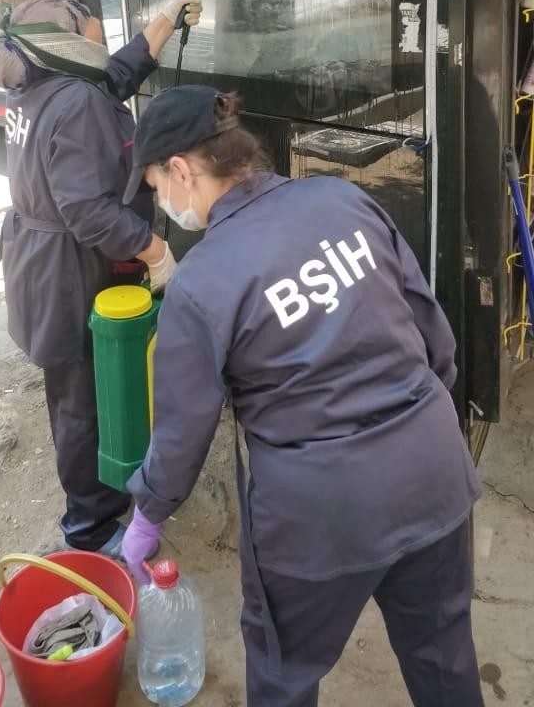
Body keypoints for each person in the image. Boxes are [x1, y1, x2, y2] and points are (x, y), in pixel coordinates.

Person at [121, 85, 485, 707]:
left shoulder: (201, 283)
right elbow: (434, 338)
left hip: (319, 518)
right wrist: (419, 425)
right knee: (444, 657)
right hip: (435, 479)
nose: (162, 202)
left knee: (283, 673)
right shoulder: (344, 199)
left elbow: (182, 435)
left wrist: (147, 513)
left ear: (181, 170)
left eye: (156, 186)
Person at [0, 0, 202, 557]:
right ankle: (90, 529)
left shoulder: (43, 84)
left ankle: (107, 502)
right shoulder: (76, 100)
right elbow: (86, 209)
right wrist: (155, 250)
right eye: (86, 15)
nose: (98, 20)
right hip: (71, 272)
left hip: (42, 263)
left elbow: (117, 74)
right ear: (68, 39)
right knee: (82, 401)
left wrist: (166, 19)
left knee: (82, 392)